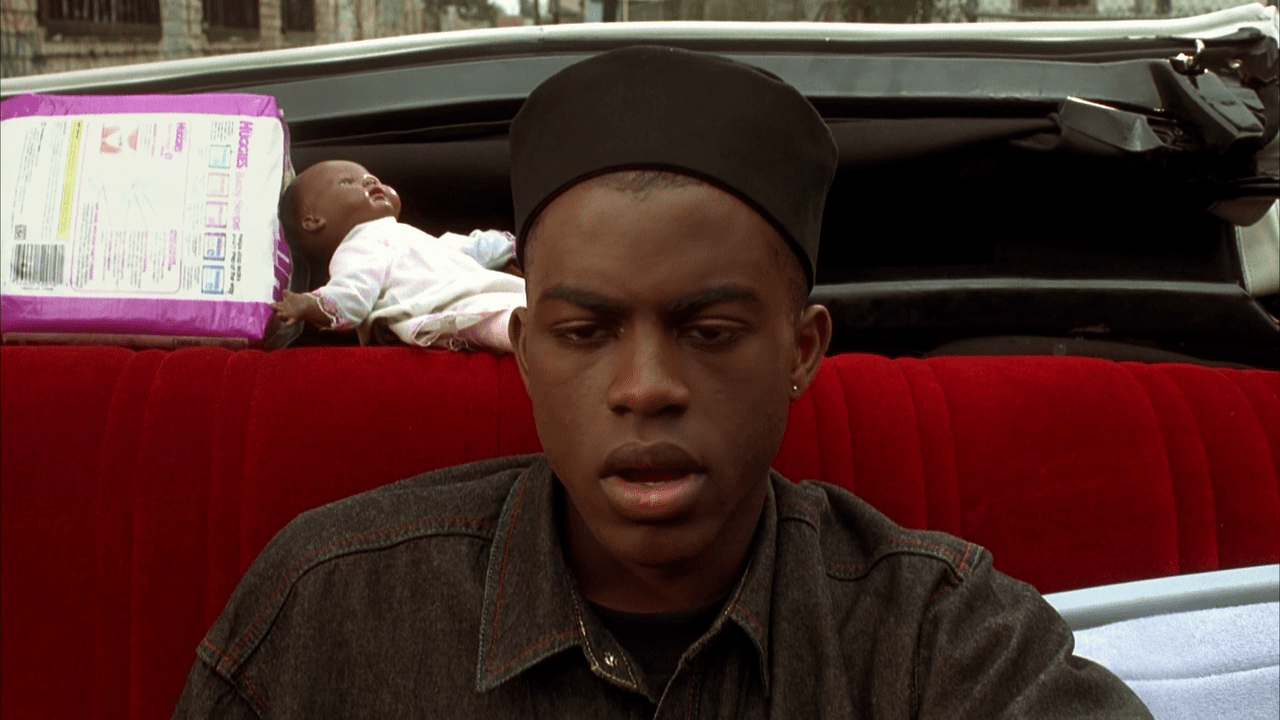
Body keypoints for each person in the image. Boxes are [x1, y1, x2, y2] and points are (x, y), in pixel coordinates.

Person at [174, 46, 1152, 718]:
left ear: (801, 352)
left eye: (709, 331)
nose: (644, 388)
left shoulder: (937, 638)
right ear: (526, 348)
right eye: (584, 332)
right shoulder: (330, 610)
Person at [272, 159, 525, 351]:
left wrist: (506, 245)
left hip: (482, 298)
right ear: (314, 220)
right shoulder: (356, 248)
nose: (370, 181)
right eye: (347, 182)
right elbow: (352, 293)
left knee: (526, 316)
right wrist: (309, 305)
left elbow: (455, 249)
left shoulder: (402, 236)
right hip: (449, 310)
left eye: (371, 177)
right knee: (520, 329)